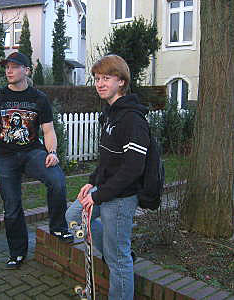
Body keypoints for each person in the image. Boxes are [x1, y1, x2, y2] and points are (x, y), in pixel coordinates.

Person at [65, 54, 150, 299]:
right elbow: (107, 158)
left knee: (118, 261)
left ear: (121, 81)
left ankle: (120, 256)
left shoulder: (133, 119)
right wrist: (92, 181)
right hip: (103, 188)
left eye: (106, 78)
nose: (100, 83)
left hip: (121, 197)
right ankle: (118, 251)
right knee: (73, 216)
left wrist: (99, 195)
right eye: (97, 78)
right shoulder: (110, 113)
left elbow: (133, 169)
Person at [0, 51, 73, 270]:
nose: (9, 70)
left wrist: (52, 152)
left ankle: (58, 227)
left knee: (57, 180)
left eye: (14, 67)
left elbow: (49, 130)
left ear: (27, 70)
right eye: (6, 67)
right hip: (5, 157)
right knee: (12, 206)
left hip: (33, 152)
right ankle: (17, 252)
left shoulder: (39, 98)